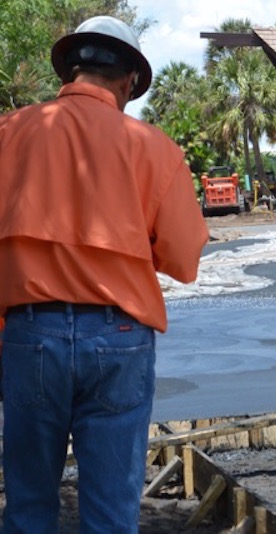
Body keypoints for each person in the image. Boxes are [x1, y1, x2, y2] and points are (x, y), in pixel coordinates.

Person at [0, 16, 208, 533]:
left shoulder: (9, 134)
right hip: (119, 339)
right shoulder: (154, 148)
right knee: (112, 517)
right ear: (130, 80)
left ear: (68, 69)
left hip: (29, 337)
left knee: (27, 510)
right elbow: (183, 259)